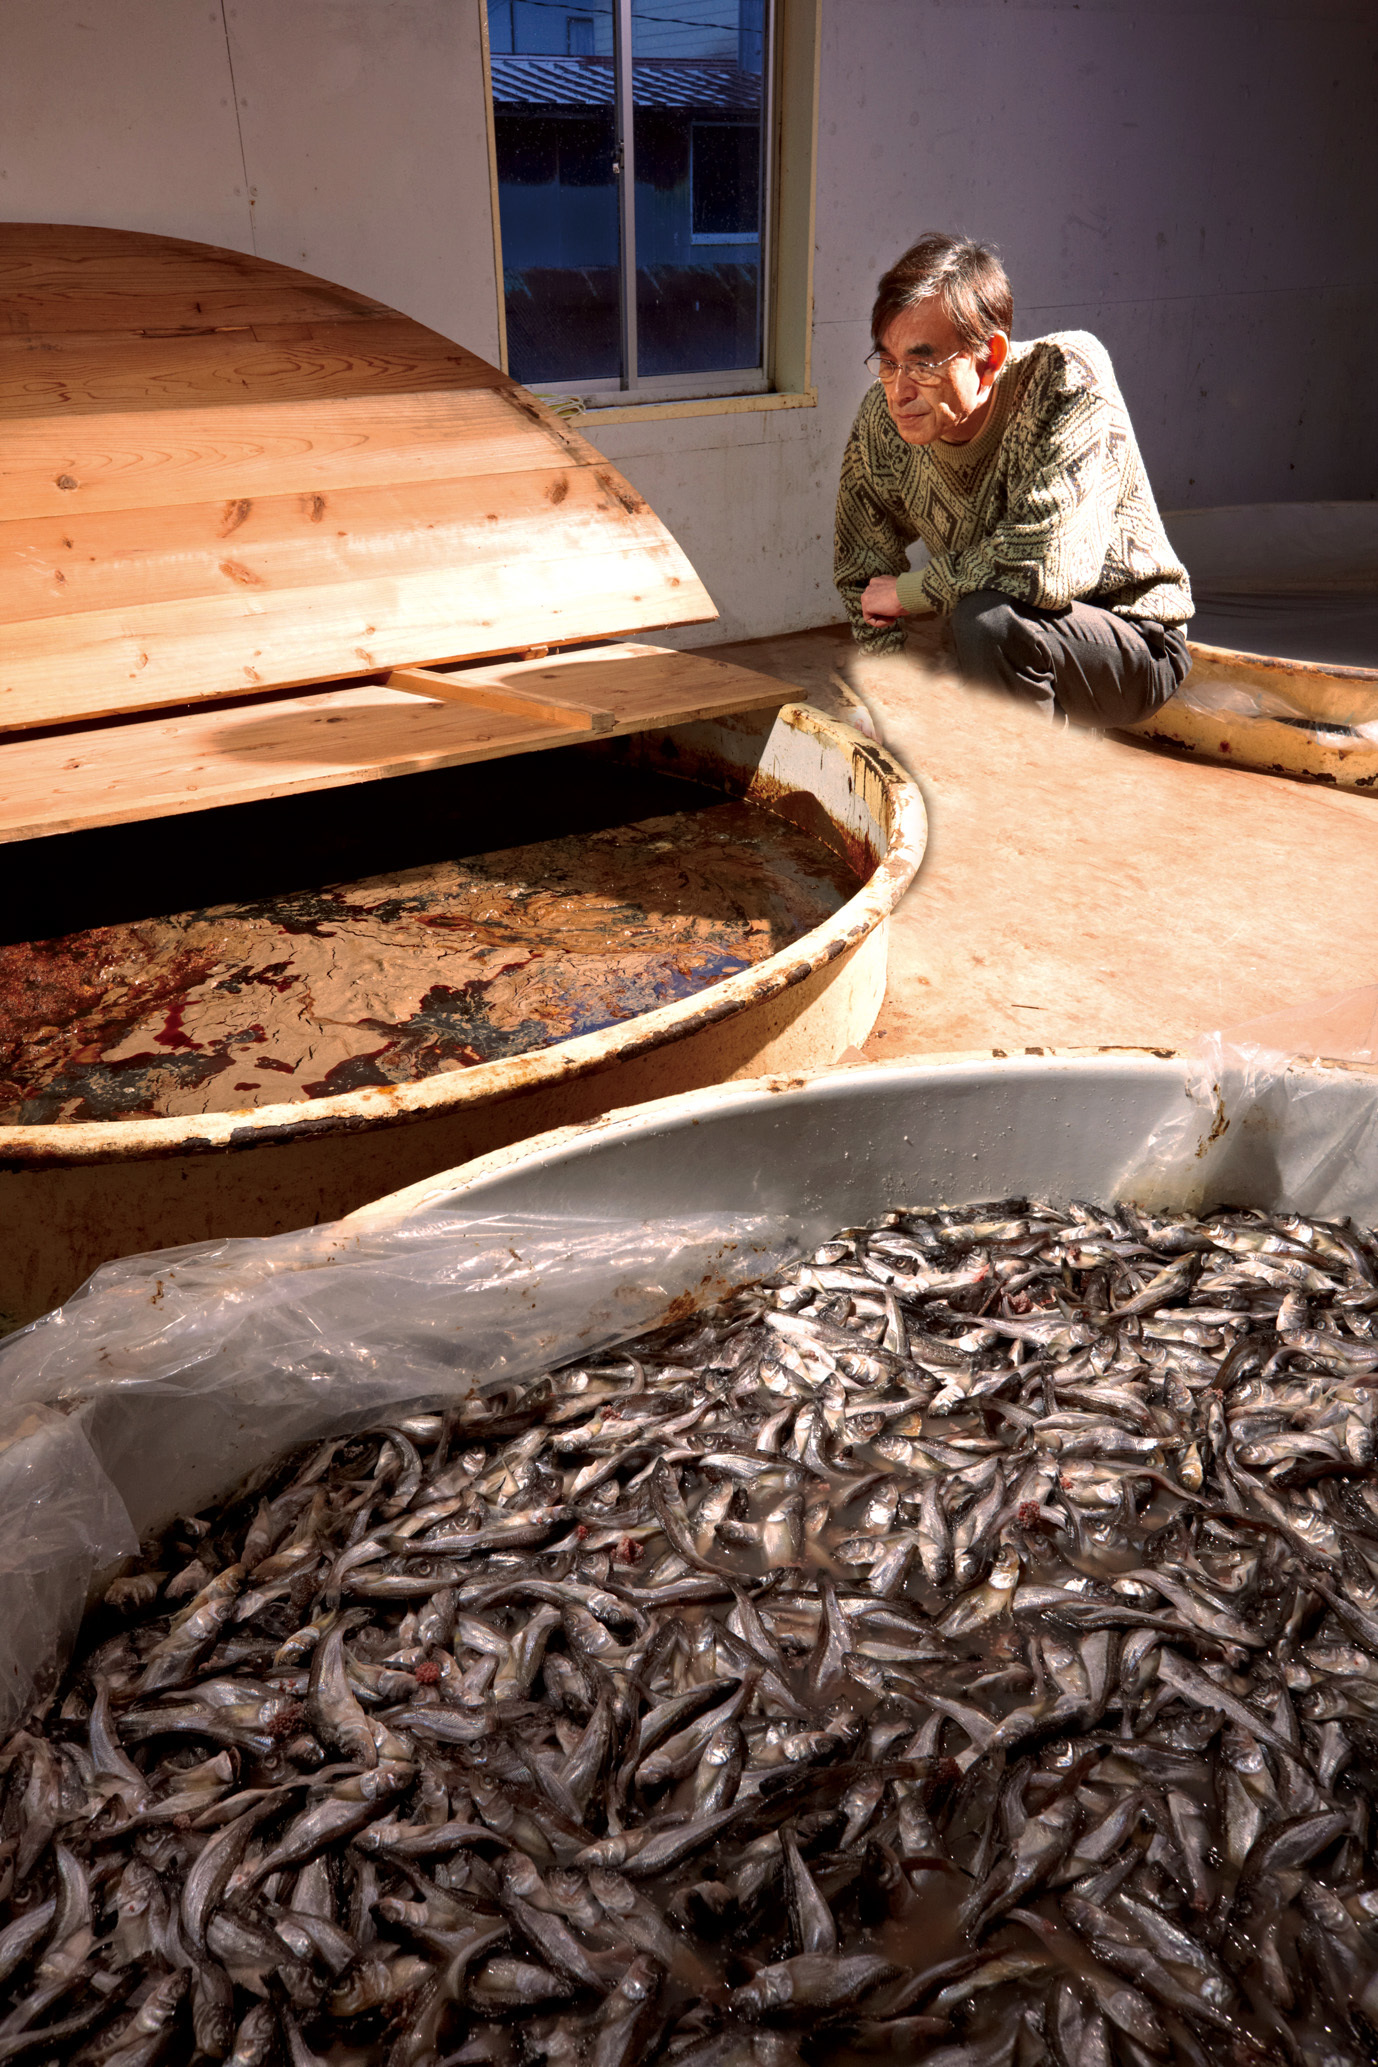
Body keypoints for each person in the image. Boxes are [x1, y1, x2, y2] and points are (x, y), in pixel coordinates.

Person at [834, 232, 1193, 727]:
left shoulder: (1066, 375)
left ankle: (1022, 793)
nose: (899, 390)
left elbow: (1045, 568)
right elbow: (861, 569)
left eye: (922, 364)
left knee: (986, 623)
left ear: (990, 357)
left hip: (1129, 640)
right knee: (968, 637)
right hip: (994, 627)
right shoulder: (882, 420)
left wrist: (911, 591)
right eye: (889, 363)